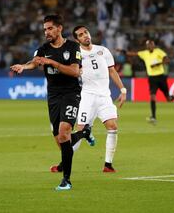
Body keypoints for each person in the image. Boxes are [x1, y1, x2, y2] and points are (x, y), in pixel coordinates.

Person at [10, 14, 90, 191]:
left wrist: (51, 62)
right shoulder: (43, 48)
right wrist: (24, 66)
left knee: (64, 133)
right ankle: (84, 133)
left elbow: (75, 72)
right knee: (60, 139)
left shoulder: (73, 46)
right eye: (45, 29)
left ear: (59, 28)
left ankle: (66, 180)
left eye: (50, 28)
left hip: (71, 93)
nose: (46, 32)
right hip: (53, 96)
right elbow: (35, 62)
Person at [72, 25, 127, 172]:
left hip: (104, 97)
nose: (85, 36)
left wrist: (122, 89)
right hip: (87, 96)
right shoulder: (76, 54)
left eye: (86, 32)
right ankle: (64, 163)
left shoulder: (103, 50)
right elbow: (71, 72)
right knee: (81, 129)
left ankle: (108, 165)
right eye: (81, 35)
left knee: (113, 127)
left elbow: (112, 71)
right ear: (77, 39)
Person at [121, 39, 174, 124]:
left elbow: (167, 60)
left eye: (151, 44)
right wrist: (125, 52)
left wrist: (157, 64)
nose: (150, 46)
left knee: (168, 99)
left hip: (161, 77)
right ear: (147, 46)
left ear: (154, 45)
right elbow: (134, 54)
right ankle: (153, 117)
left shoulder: (158, 51)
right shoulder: (144, 53)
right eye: (148, 45)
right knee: (152, 96)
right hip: (152, 78)